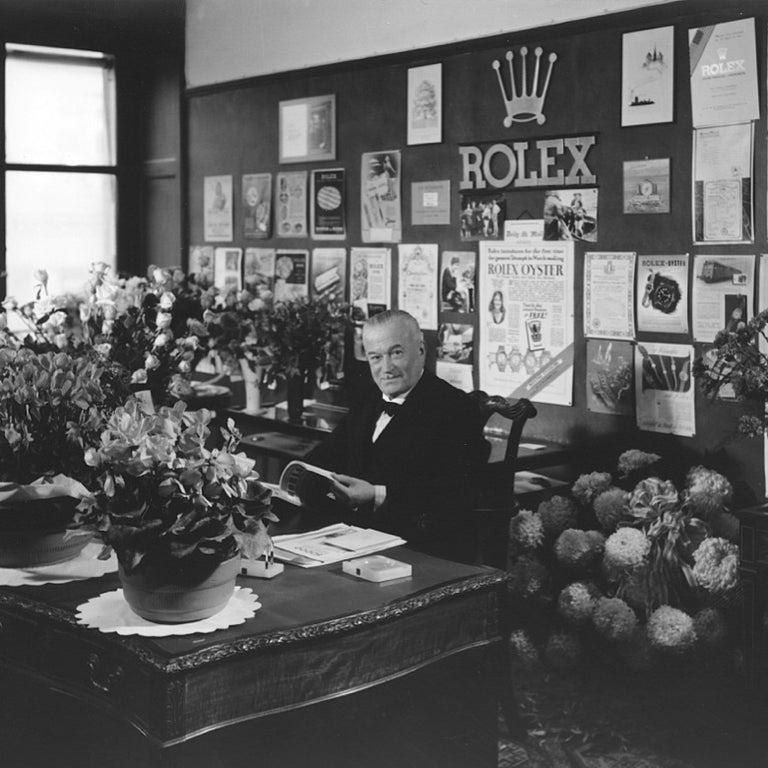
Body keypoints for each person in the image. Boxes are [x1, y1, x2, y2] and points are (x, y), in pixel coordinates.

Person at [305, 309, 487, 562]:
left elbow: (456, 493)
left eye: (396, 353)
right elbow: (327, 454)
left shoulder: (456, 408)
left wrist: (377, 494)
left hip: (422, 550)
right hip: (357, 540)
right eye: (376, 357)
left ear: (421, 351)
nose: (386, 368)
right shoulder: (368, 398)